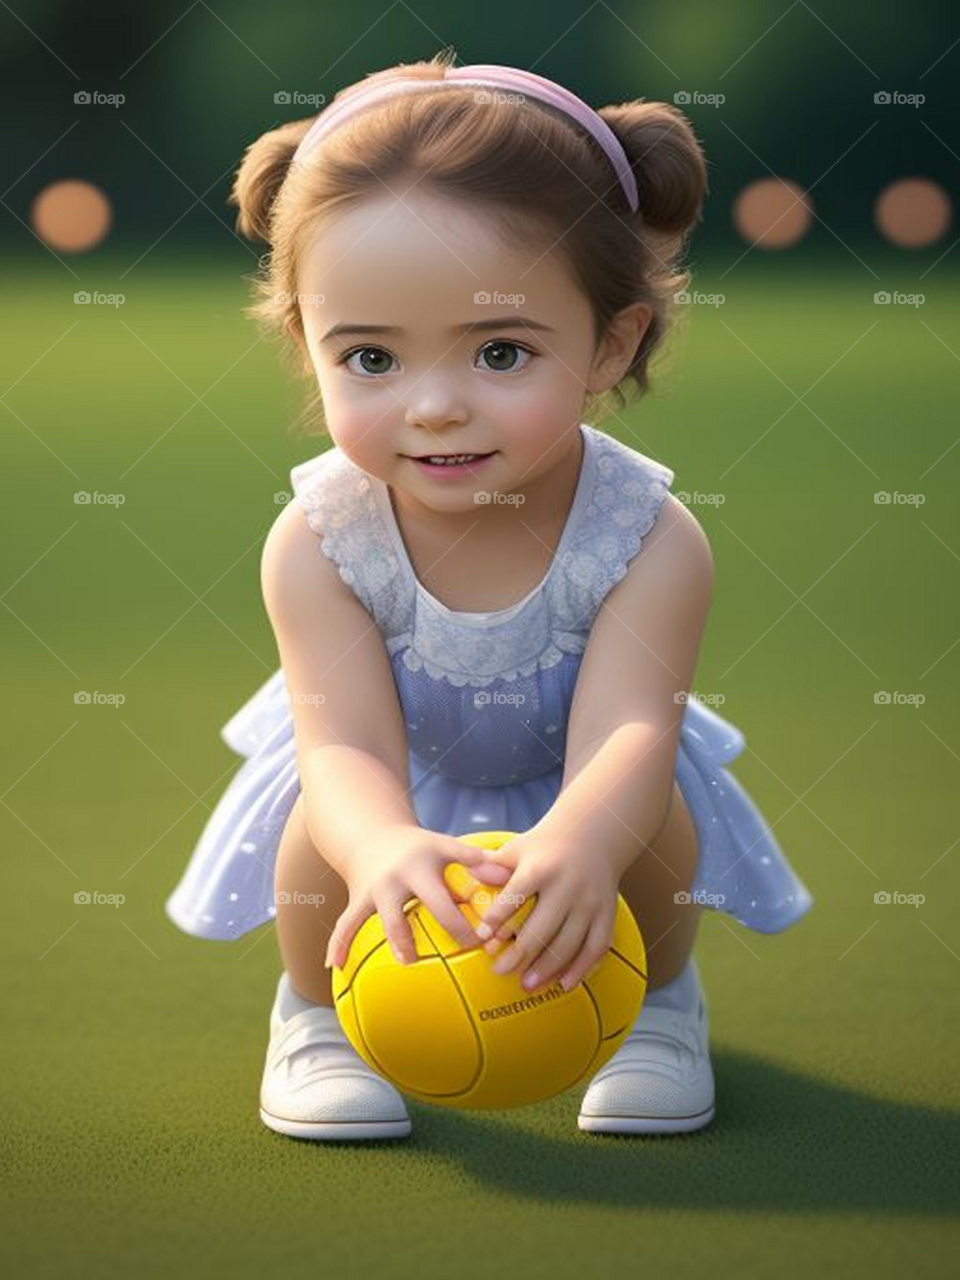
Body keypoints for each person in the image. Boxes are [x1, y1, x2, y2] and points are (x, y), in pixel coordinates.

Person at [165, 52, 813, 1142]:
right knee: (317, 831)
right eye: (370, 356)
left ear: (614, 341)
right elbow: (344, 751)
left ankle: (657, 1005)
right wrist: (379, 847)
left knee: (661, 826)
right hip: (391, 777)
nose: (433, 408)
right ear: (306, 348)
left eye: (500, 350)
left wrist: (582, 841)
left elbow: (629, 731)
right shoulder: (318, 541)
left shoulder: (648, 535)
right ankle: (316, 1015)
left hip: (589, 783)